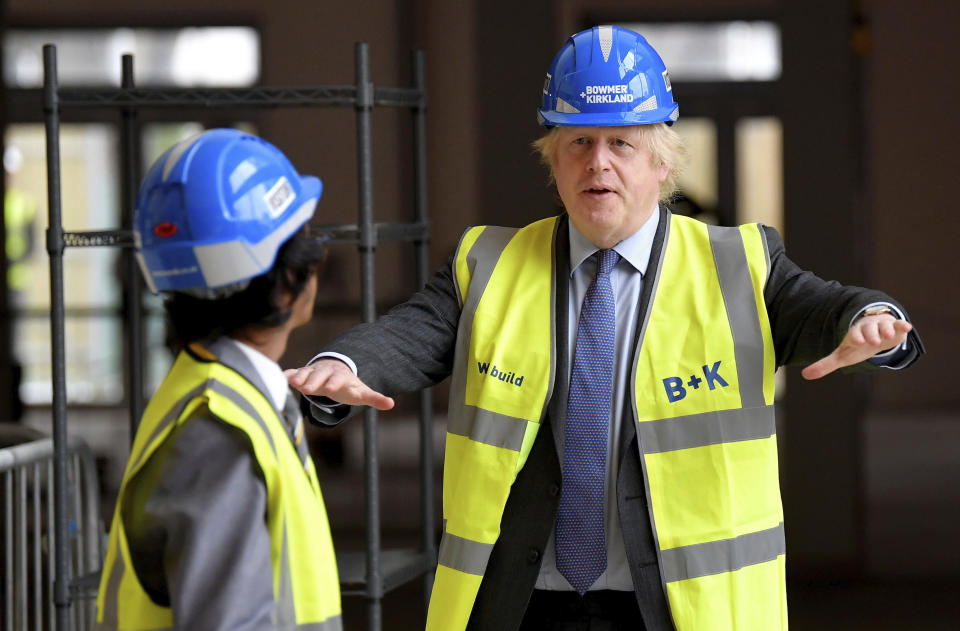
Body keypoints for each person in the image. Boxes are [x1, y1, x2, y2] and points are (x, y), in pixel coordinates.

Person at [287, 25, 924, 631]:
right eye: (579, 143)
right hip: (524, 604)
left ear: (662, 162)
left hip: (676, 610)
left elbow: (823, 305)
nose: (598, 164)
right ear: (554, 161)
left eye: (621, 143)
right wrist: (344, 365)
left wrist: (871, 319)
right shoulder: (488, 261)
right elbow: (413, 331)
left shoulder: (741, 263)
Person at [96, 128, 343, 631]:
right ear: (284, 289)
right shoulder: (220, 435)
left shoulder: (215, 394)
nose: (317, 254)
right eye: (307, 239)